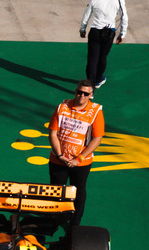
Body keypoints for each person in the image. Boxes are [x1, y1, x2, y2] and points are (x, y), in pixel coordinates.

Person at [48, 81, 104, 227]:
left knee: (78, 191)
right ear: (75, 91)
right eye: (79, 92)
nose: (82, 96)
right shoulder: (62, 107)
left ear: (91, 95)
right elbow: (53, 133)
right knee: (55, 190)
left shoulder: (96, 112)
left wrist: (78, 159)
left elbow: (97, 138)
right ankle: (54, 218)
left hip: (81, 162)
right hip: (58, 159)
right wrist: (60, 155)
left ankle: (75, 223)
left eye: (86, 93)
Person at [80, 0, 127, 88]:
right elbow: (124, 17)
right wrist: (122, 34)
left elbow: (86, 15)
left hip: (95, 32)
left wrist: (82, 29)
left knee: (92, 60)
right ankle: (98, 79)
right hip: (109, 34)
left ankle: (90, 87)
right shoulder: (119, 1)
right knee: (102, 57)